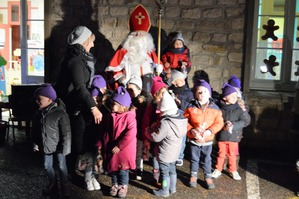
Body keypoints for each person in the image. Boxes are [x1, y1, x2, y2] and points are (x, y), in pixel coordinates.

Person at [55, 26, 102, 181]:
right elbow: (80, 87)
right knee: (73, 141)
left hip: (78, 104)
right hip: (71, 106)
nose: (93, 45)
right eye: (91, 42)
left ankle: (72, 170)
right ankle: (66, 174)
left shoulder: (79, 58)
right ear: (84, 41)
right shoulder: (75, 61)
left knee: (77, 139)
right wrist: (93, 107)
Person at [105, 4, 163, 92]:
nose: (138, 36)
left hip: (148, 89)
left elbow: (158, 67)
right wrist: (122, 78)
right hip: (129, 88)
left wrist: (159, 69)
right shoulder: (123, 50)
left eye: (141, 34)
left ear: (146, 37)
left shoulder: (149, 50)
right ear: (130, 36)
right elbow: (111, 71)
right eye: (136, 34)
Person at [31, 84, 71, 198]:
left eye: (39, 99)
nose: (37, 102)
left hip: (59, 147)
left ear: (49, 99)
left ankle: (64, 186)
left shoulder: (60, 113)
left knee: (62, 167)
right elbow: (35, 131)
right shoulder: (38, 114)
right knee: (47, 166)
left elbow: (66, 132)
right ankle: (52, 182)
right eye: (36, 99)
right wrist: (35, 143)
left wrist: (66, 147)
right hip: (46, 145)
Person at [145, 91, 187, 197]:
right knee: (172, 170)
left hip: (165, 153)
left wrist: (148, 132)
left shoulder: (166, 123)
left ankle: (164, 190)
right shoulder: (181, 120)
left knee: (164, 173)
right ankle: (172, 188)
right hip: (175, 152)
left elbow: (156, 137)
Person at [183, 79, 224, 189]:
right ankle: (193, 175)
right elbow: (184, 120)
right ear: (196, 94)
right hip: (194, 138)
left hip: (207, 139)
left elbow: (219, 123)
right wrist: (191, 130)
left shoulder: (215, 108)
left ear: (209, 93)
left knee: (207, 159)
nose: (202, 94)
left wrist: (210, 131)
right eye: (199, 92)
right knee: (194, 158)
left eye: (205, 91)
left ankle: (207, 176)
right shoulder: (190, 107)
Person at [211, 83, 251, 181]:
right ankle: (218, 169)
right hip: (222, 136)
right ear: (225, 98)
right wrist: (224, 125)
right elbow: (216, 120)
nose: (234, 98)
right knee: (221, 154)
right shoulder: (220, 109)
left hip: (234, 137)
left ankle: (233, 170)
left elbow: (243, 121)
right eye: (231, 96)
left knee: (232, 154)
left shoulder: (238, 109)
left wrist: (233, 125)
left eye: (235, 96)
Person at [102, 86, 137, 198]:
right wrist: (101, 142)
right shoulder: (110, 116)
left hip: (124, 150)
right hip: (112, 146)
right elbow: (105, 130)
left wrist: (120, 145)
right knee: (113, 168)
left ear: (123, 106)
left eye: (115, 104)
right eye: (112, 103)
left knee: (123, 169)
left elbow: (130, 134)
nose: (112, 106)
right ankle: (115, 184)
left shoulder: (130, 117)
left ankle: (123, 186)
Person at [142, 76, 168, 186]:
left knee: (164, 156)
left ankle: (164, 178)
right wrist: (146, 136)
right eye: (161, 94)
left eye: (165, 93)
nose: (164, 96)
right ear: (155, 95)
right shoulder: (151, 107)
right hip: (154, 135)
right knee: (155, 156)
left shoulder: (168, 105)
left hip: (165, 136)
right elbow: (146, 121)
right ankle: (156, 176)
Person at [126, 75, 152, 180]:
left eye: (132, 89)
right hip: (131, 130)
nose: (129, 92)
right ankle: (131, 166)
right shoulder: (128, 100)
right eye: (128, 89)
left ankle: (138, 168)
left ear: (139, 90)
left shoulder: (143, 102)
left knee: (139, 151)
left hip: (139, 130)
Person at [168, 70, 194, 166]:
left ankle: (180, 156)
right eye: (180, 79)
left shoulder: (188, 93)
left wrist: (180, 103)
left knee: (182, 138)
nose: (183, 81)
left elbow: (190, 106)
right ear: (174, 82)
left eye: (183, 79)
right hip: (172, 117)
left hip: (183, 118)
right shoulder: (170, 90)